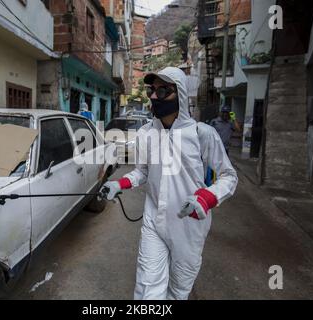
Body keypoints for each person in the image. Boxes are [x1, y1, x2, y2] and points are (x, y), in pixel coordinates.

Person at [100, 67, 238, 300]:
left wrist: (206, 198)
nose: (154, 96)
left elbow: (229, 176)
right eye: (152, 90)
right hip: (154, 220)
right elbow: (142, 172)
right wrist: (119, 184)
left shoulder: (201, 134)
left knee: (179, 290)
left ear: (181, 95)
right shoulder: (146, 134)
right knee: (147, 289)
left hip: (189, 225)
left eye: (163, 90)